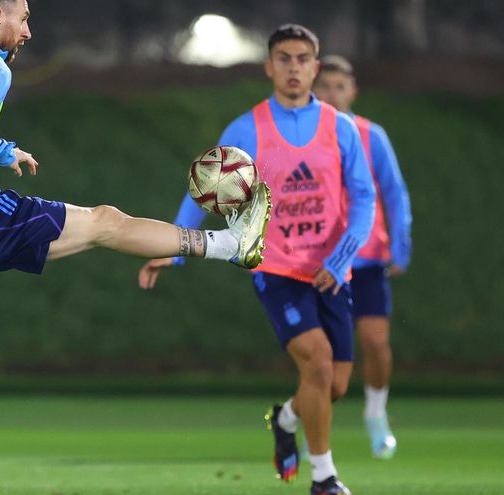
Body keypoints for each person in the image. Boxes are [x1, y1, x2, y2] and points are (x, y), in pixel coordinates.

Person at [0, 1, 270, 494]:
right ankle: (231, 244)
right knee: (104, 222)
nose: (28, 31)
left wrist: (4, 151)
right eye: (23, 18)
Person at [139, 24, 375, 495]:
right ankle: (325, 479)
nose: (293, 67)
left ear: (316, 65)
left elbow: (365, 200)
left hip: (331, 271)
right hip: (277, 267)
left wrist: (341, 256)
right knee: (319, 363)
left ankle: (285, 419)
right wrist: (172, 250)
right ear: (269, 66)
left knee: (334, 386)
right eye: (284, 58)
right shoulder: (247, 128)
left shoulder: (340, 127)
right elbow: (207, 188)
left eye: (302, 58)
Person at [313, 54, 412, 460]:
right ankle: (313, 431)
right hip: (318, 260)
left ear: (353, 91)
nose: (332, 93)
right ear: (313, 89)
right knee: (319, 353)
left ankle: (375, 413)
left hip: (366, 258)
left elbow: (394, 191)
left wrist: (400, 246)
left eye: (340, 86)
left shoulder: (372, 135)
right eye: (325, 86)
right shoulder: (303, 136)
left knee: (374, 341)